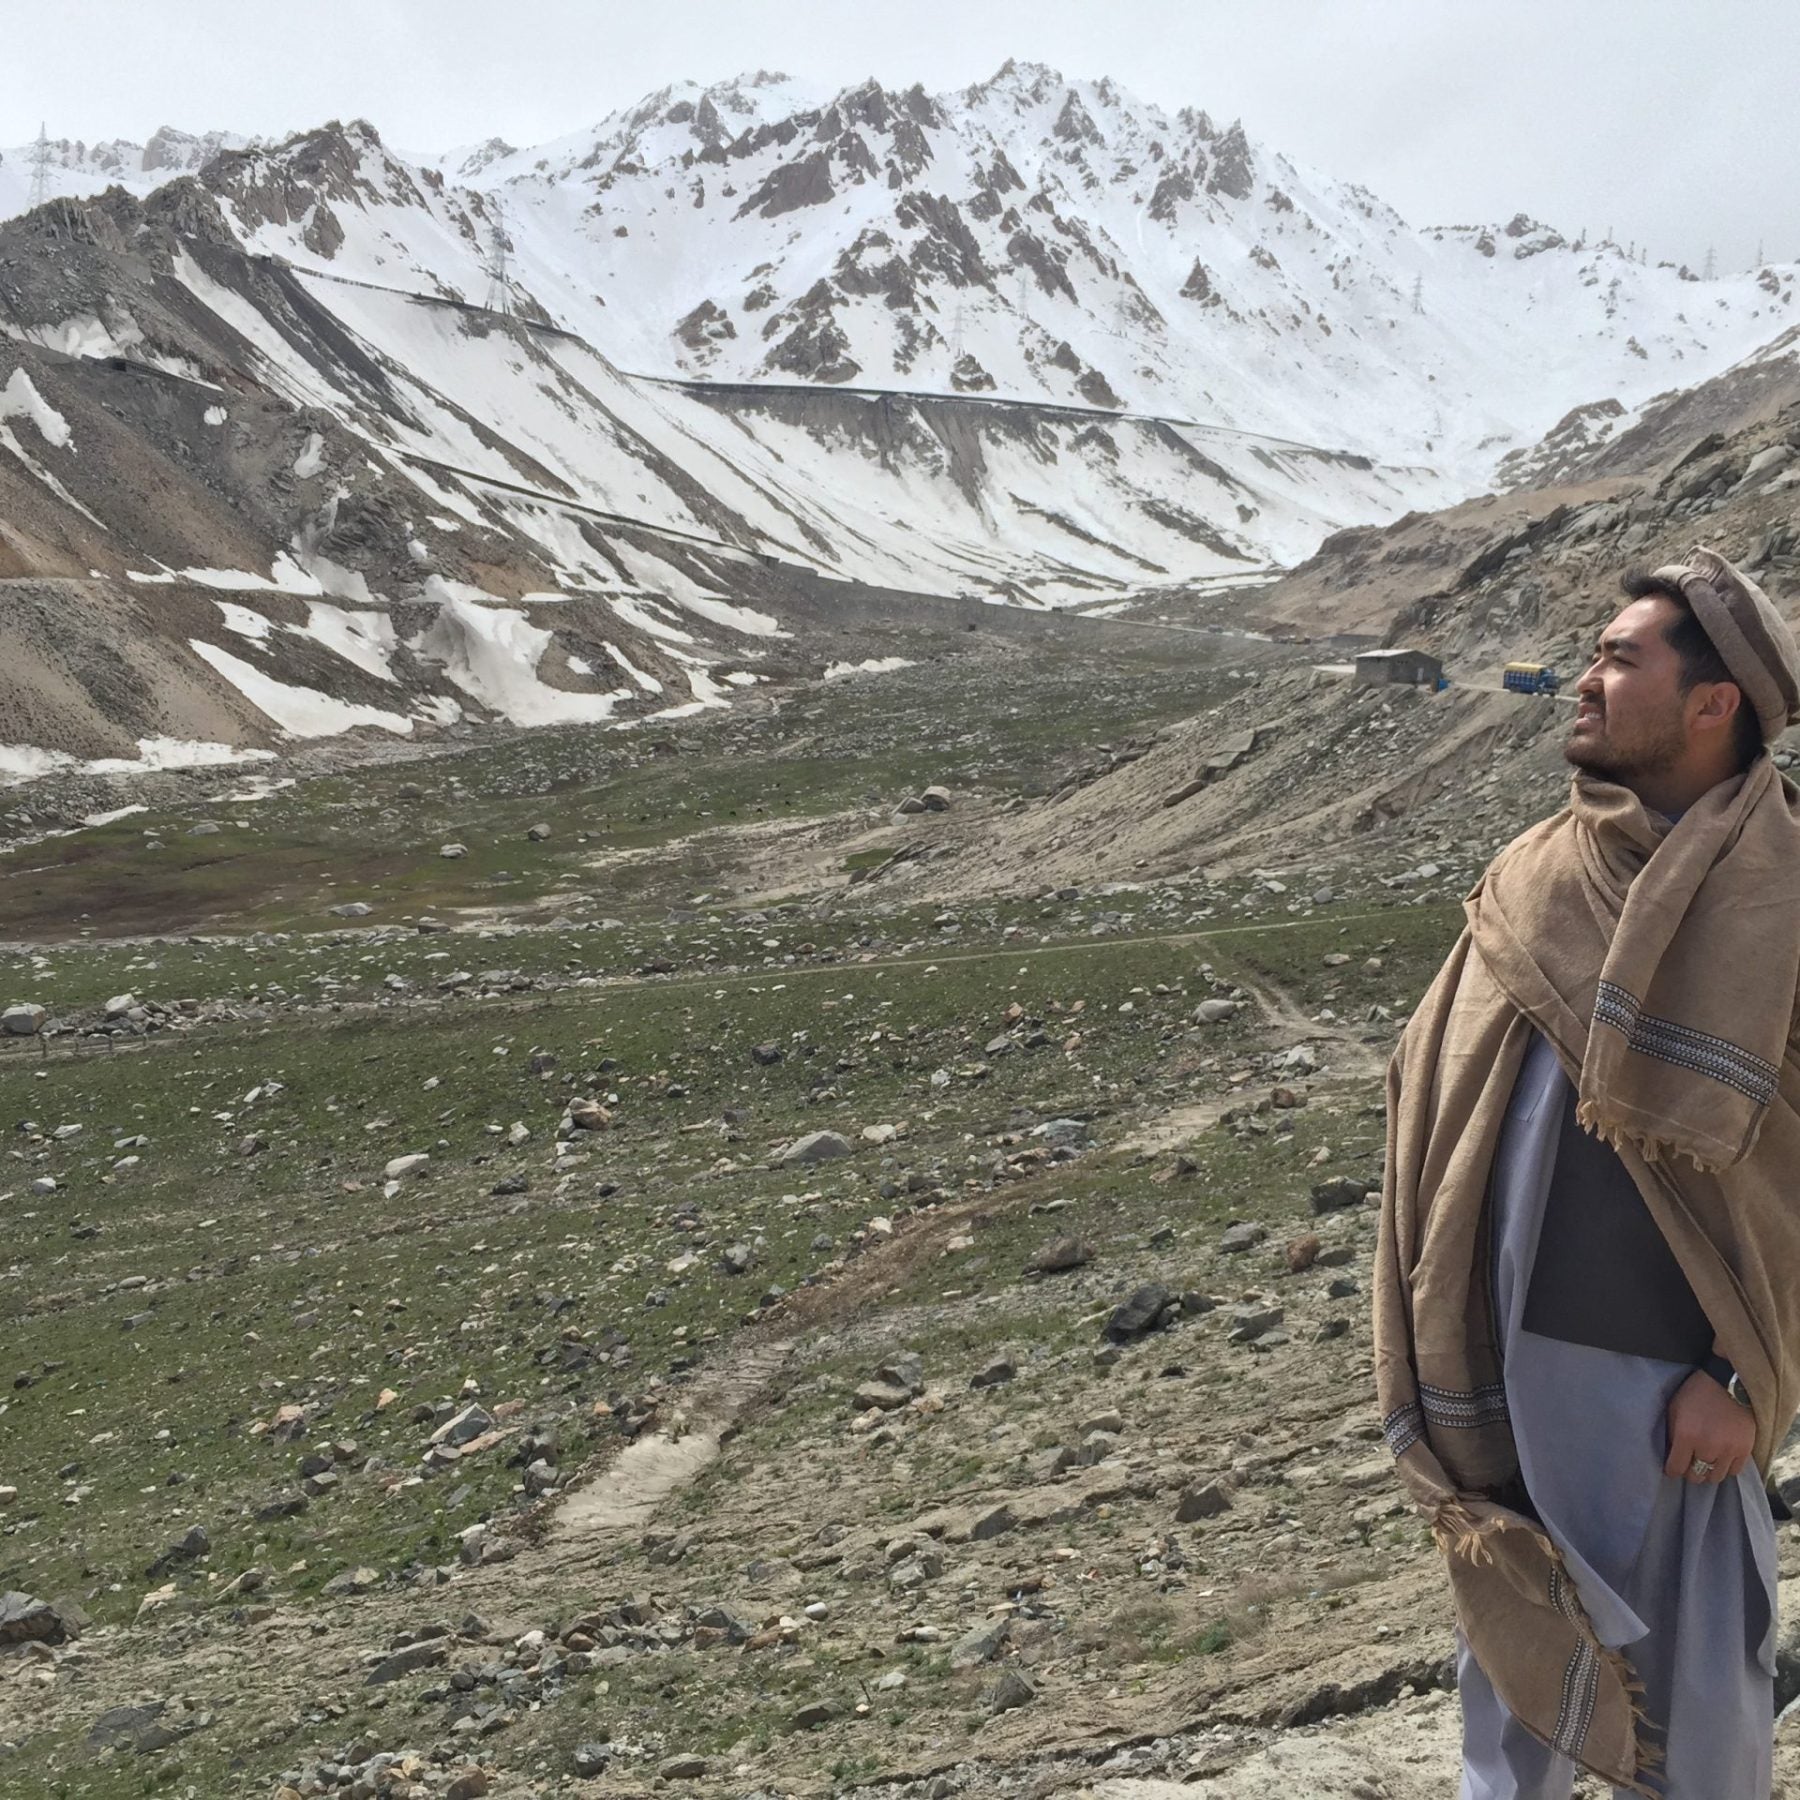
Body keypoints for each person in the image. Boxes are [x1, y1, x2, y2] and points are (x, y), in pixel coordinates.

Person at [1373, 545, 1800, 1798]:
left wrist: (1741, 1377)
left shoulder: (1781, 898)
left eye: (1620, 661)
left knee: (1699, 1684)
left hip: (1673, 1375)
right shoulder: (1539, 870)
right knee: (1513, 1651)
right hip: (1497, 1347)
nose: (1584, 680)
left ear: (1713, 703)